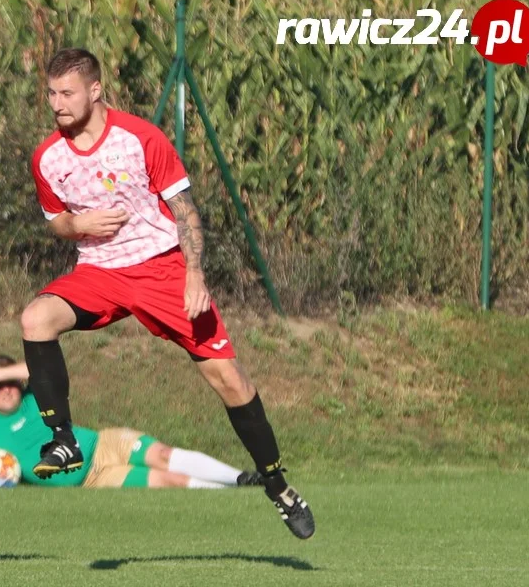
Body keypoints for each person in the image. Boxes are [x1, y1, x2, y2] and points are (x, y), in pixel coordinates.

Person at [21, 48, 314, 538]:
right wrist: (78, 224)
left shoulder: (140, 138)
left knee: (230, 381)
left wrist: (193, 273)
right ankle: (63, 438)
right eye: (51, 93)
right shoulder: (48, 157)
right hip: (100, 272)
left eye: (67, 92)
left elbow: (185, 210)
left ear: (95, 91)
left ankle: (277, 484)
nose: (57, 102)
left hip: (163, 269)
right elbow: (57, 224)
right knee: (35, 319)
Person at [0, 355, 264, 490]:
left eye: (7, 383)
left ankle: (243, 479)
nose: (4, 391)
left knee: (163, 456)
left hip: (105, 445)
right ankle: (232, 492)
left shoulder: (36, 395)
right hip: (94, 481)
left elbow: (45, 365)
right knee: (169, 482)